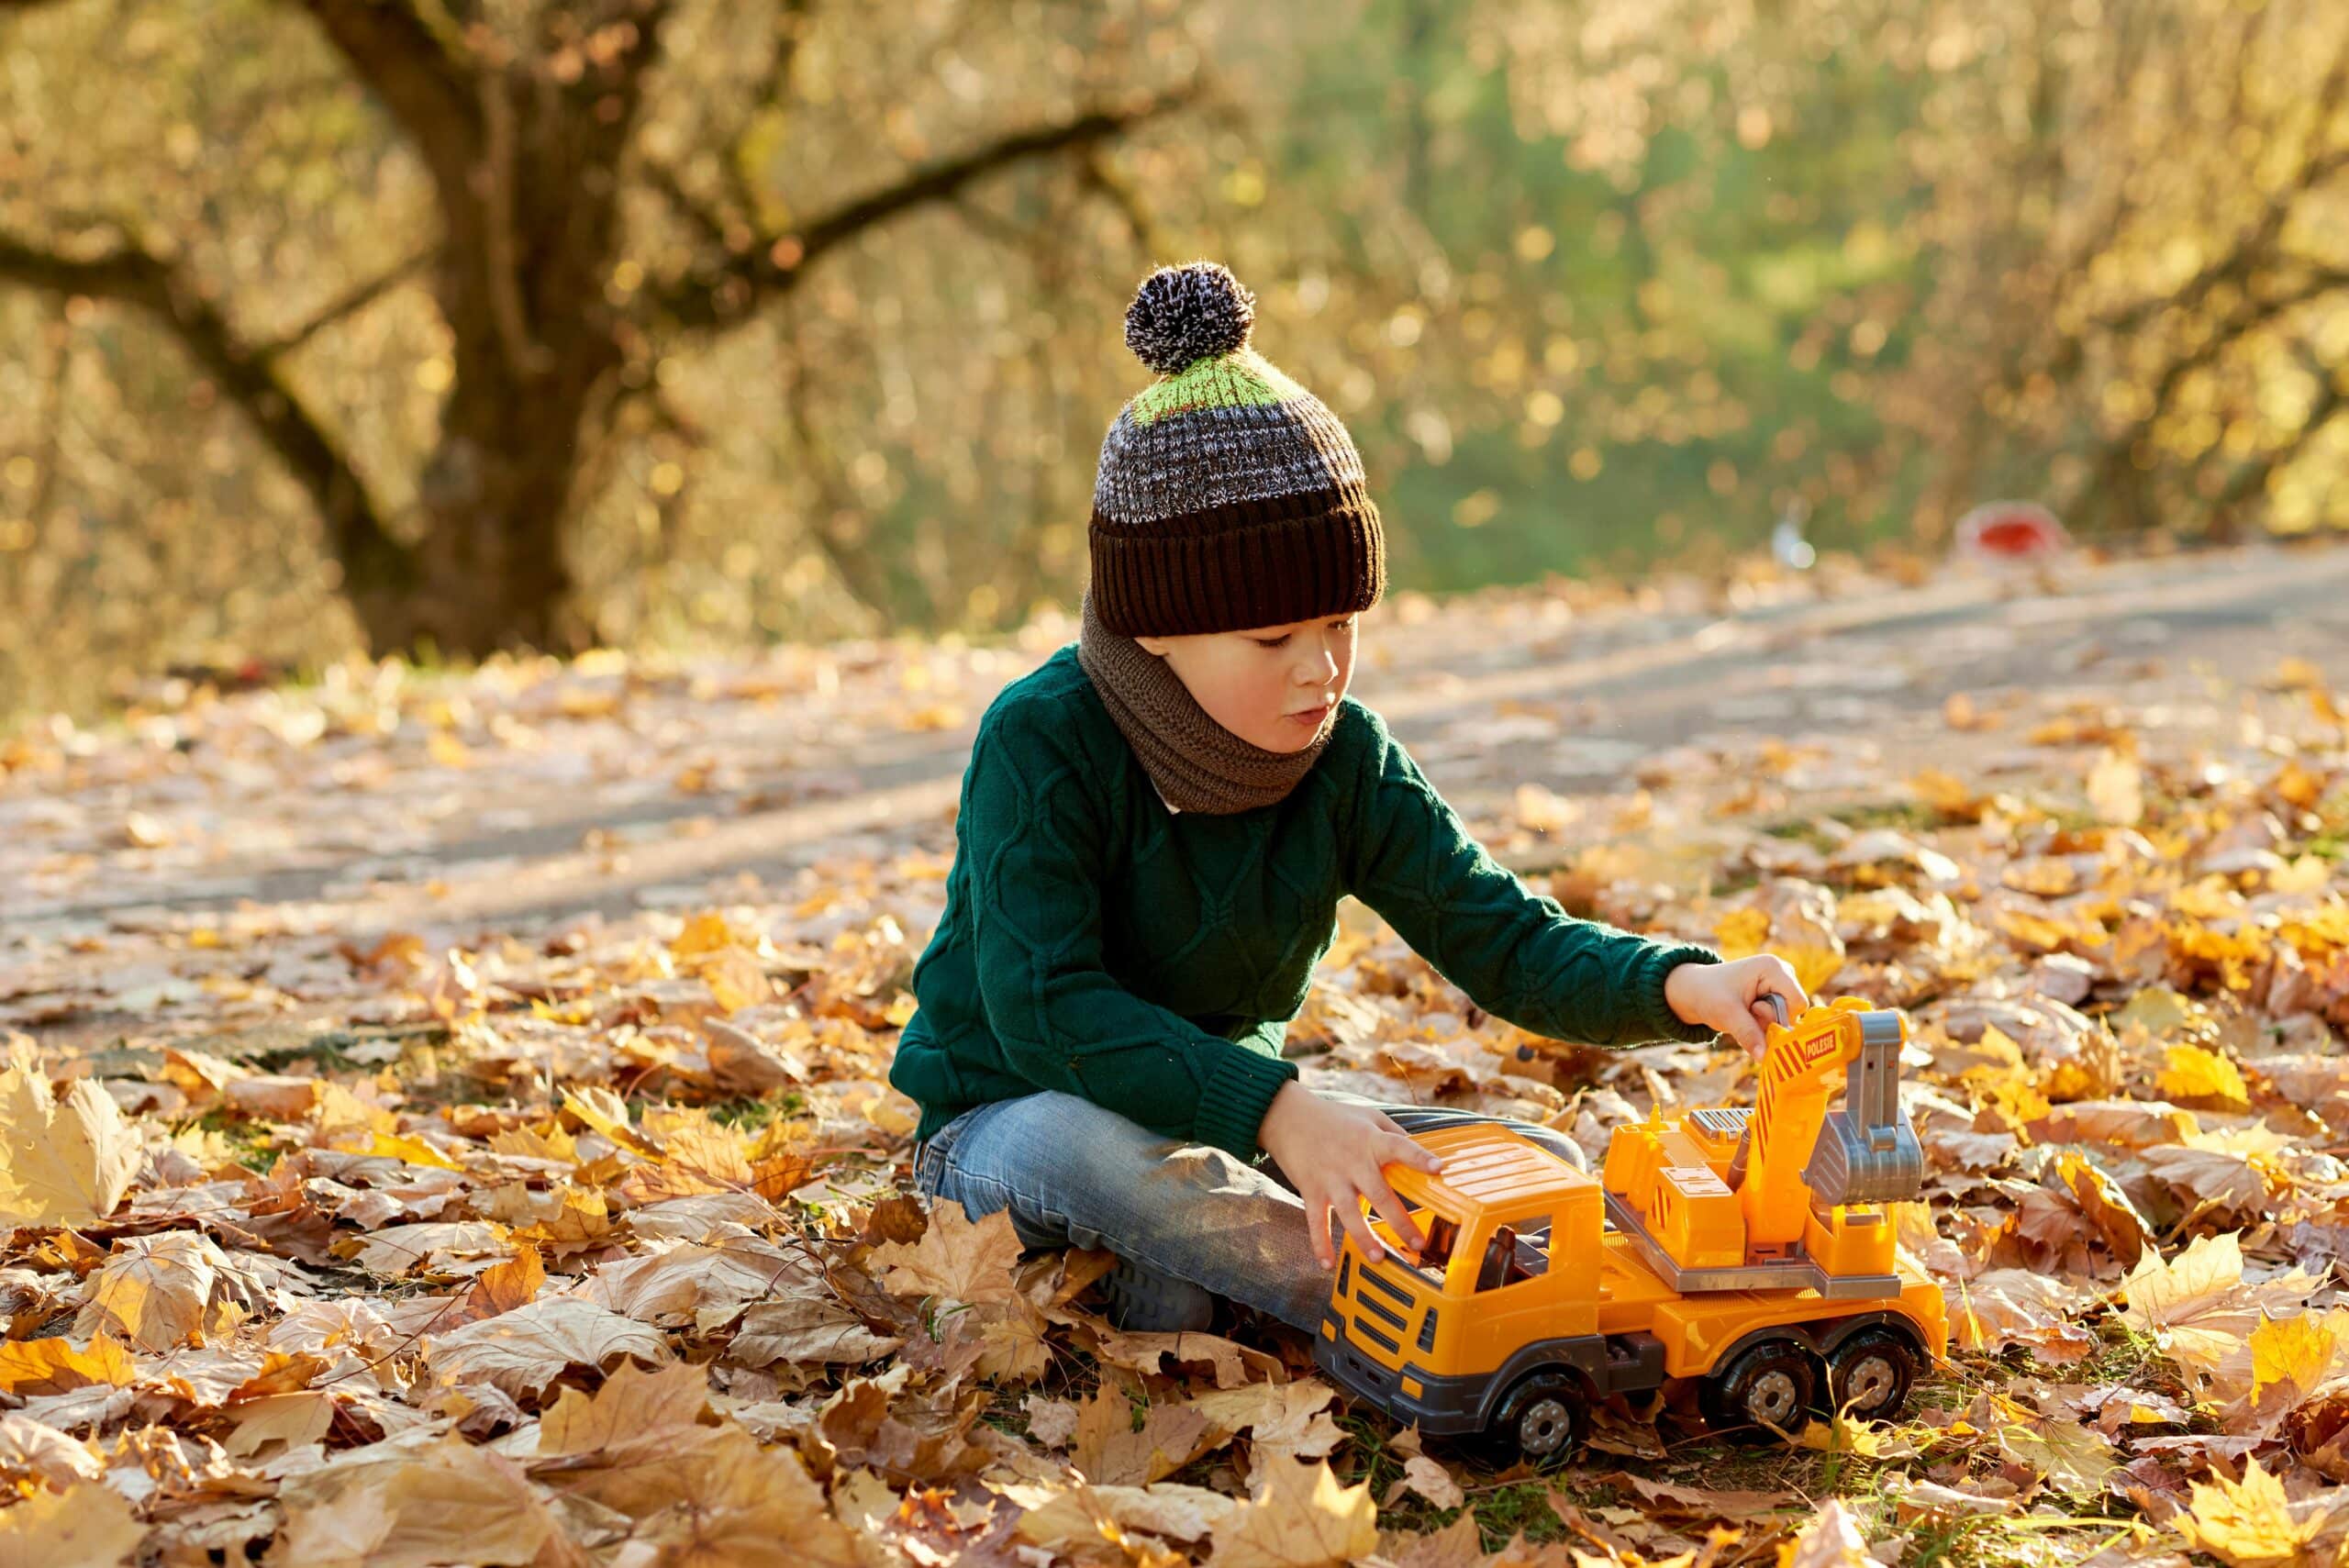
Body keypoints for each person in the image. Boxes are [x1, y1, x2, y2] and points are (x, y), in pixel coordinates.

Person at [886, 261, 1807, 1333]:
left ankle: (1207, 1286)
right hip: (1008, 1124)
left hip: (1218, 1128)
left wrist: (1684, 984)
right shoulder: (1042, 737)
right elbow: (1043, 1011)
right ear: (1156, 625)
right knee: (1082, 1144)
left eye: (1340, 624)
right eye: (1274, 638)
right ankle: (1412, 1302)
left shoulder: (1342, 758)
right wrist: (1281, 1108)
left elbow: (1501, 934)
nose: (1320, 668)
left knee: (1535, 1160)